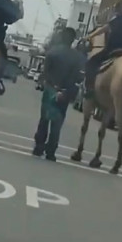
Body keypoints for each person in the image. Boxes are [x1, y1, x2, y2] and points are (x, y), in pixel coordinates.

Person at [32, 27, 84, 161]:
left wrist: (52, 86)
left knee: (44, 119)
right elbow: (78, 78)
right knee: (57, 122)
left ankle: (39, 147)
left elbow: (45, 73)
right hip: (65, 93)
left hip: (50, 89)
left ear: (61, 38)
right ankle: (51, 151)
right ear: (73, 40)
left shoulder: (52, 52)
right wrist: (65, 90)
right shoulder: (77, 57)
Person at [82, 0, 122, 98]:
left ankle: (89, 89)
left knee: (91, 63)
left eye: (120, 5)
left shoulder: (117, 19)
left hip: (112, 49)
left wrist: (89, 36)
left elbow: (103, 29)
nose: (118, 7)